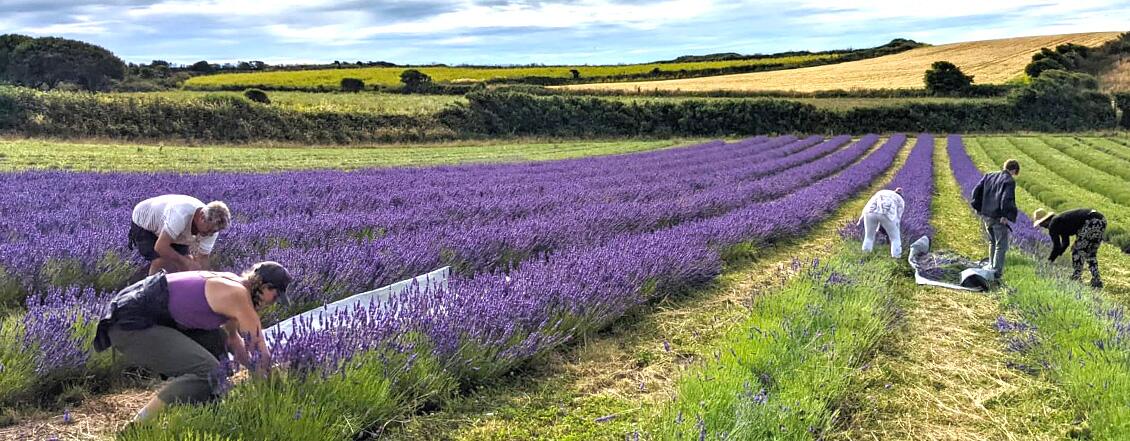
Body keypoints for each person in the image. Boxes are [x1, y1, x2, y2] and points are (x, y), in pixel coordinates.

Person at [92, 261, 292, 422]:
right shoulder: (239, 297)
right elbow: (260, 353)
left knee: (220, 353)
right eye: (275, 297)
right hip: (131, 324)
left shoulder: (234, 284)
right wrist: (275, 395)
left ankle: (211, 413)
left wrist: (259, 385)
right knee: (211, 372)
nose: (272, 303)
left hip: (143, 313)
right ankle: (138, 424)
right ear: (265, 287)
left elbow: (234, 340)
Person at [130, 195, 231, 276]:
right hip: (145, 223)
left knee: (185, 265)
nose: (209, 234)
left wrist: (203, 278)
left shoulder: (213, 227)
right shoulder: (181, 215)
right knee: (162, 260)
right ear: (201, 217)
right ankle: (150, 293)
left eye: (213, 232)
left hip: (174, 231)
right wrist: (185, 262)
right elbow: (160, 247)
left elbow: (203, 257)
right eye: (208, 230)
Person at [1033, 208, 1107, 288]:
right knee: (1090, 253)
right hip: (1101, 220)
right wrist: (1060, 253)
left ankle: (1076, 276)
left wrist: (1050, 261)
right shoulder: (1059, 221)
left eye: (1041, 224)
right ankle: (1096, 280)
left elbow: (1056, 246)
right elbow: (1066, 243)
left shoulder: (1053, 225)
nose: (1042, 226)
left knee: (1077, 250)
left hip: (1090, 222)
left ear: (1045, 221)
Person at [971, 159, 1020, 278]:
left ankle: (991, 267)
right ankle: (996, 272)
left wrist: (978, 208)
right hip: (998, 217)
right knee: (1001, 244)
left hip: (986, 215)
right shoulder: (1009, 180)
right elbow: (1006, 199)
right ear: (1013, 170)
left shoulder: (989, 176)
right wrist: (1005, 215)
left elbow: (975, 191)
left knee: (991, 241)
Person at [858, 187, 905, 258]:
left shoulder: (882, 192)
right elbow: (898, 218)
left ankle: (865, 256)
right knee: (895, 239)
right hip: (887, 213)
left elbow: (868, 203)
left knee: (868, 237)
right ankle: (896, 259)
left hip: (870, 211)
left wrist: (860, 218)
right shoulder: (900, 200)